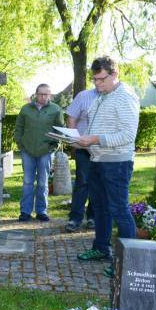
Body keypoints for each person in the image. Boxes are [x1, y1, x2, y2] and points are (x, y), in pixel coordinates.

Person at [75, 56, 140, 278]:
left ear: (114, 74)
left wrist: (94, 139)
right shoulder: (103, 95)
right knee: (100, 208)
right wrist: (79, 139)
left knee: (119, 210)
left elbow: (128, 135)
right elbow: (99, 125)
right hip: (97, 160)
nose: (97, 84)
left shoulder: (125, 97)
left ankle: (128, 263)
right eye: (94, 79)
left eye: (101, 79)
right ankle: (101, 248)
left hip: (117, 163)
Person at [14, 84, 64, 223]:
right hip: (27, 151)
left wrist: (53, 147)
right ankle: (25, 212)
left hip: (46, 152)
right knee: (28, 182)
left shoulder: (55, 109)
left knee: (43, 183)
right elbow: (18, 128)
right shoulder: (25, 109)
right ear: (35, 94)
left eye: (46, 94)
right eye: (41, 94)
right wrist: (20, 144)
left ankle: (42, 211)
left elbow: (60, 130)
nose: (43, 97)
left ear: (50, 95)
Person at [64, 86, 99, 232]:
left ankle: (93, 217)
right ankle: (75, 218)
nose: (99, 82)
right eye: (96, 78)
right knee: (82, 183)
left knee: (98, 184)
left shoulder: (114, 96)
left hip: (103, 150)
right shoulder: (83, 96)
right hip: (84, 149)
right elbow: (71, 117)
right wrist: (74, 140)